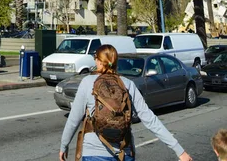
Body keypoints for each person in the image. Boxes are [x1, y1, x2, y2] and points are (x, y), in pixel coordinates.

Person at [59, 44, 193, 161]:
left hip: (94, 152)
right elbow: (150, 119)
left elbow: (73, 120)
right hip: (124, 151)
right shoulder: (128, 84)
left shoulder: (87, 82)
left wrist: (64, 146)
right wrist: (179, 151)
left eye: (95, 58)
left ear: (99, 62)